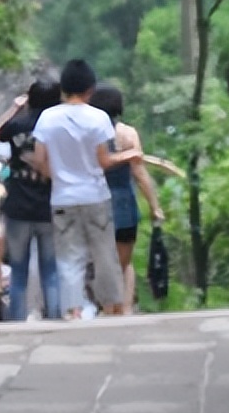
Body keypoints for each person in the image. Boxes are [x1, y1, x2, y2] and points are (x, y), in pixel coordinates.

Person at [31, 59, 141, 319]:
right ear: (90, 89)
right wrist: (129, 154)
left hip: (62, 198)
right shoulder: (98, 118)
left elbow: (39, 160)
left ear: (63, 88)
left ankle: (73, 310)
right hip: (95, 196)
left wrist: (56, 176)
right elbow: (104, 161)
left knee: (70, 257)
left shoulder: (47, 118)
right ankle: (112, 306)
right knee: (104, 254)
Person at [0, 77, 61, 320]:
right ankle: (55, 319)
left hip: (18, 205)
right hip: (49, 205)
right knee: (50, 270)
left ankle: (17, 322)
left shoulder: (18, 125)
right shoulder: (58, 127)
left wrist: (15, 107)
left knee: (18, 271)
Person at [90, 84, 165, 314]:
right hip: (123, 202)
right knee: (124, 262)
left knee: (104, 262)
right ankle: (123, 309)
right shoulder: (128, 134)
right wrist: (155, 206)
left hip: (94, 201)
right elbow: (139, 173)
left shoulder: (87, 134)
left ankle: (109, 309)